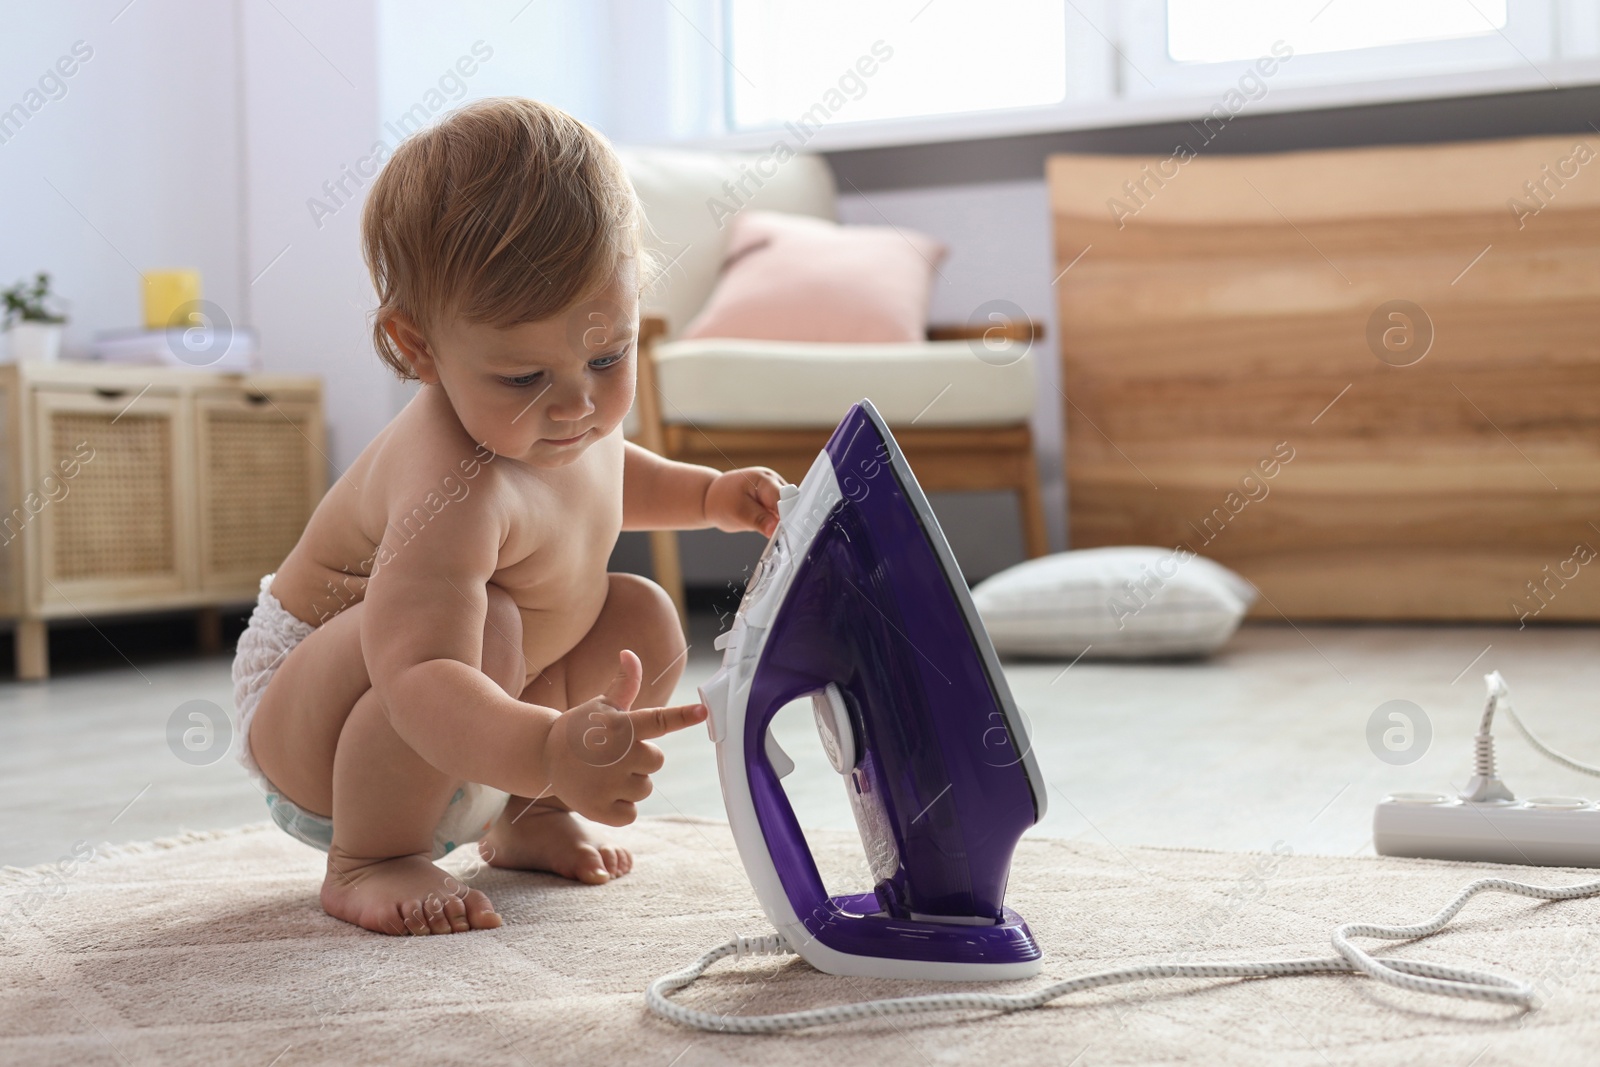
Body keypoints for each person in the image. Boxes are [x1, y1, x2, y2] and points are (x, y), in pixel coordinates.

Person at [231, 97, 783, 936]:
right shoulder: (449, 484)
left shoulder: (571, 408)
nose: (577, 404)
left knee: (643, 614)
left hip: (466, 686)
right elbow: (418, 675)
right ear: (419, 346)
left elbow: (603, 474)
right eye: (523, 378)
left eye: (607, 357)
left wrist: (708, 496)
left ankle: (526, 817)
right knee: (483, 618)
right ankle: (368, 860)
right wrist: (545, 745)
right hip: (320, 720)